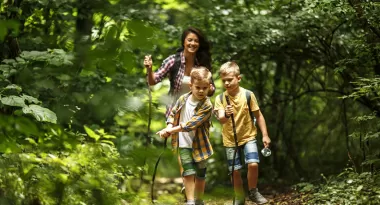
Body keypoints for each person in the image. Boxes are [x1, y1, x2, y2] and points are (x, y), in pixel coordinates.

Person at [144, 27, 214, 196]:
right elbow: (154, 81)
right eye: (190, 40)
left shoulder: (202, 62)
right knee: (183, 145)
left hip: (198, 110)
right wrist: (149, 69)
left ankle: (196, 179)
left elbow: (211, 89)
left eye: (196, 40)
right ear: (183, 41)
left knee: (198, 143)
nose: (193, 43)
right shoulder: (172, 61)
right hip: (177, 109)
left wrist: (207, 89)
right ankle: (187, 182)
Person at [214, 61, 271, 205]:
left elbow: (258, 116)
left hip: (248, 136)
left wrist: (265, 134)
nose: (227, 83)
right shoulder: (220, 98)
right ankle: (239, 197)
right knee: (235, 171)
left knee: (253, 164)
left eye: (230, 79)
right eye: (224, 80)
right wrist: (226, 114)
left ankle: (253, 191)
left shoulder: (248, 95)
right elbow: (221, 119)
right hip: (230, 139)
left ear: (238, 78)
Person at [156, 67, 214, 205]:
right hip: (183, 144)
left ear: (209, 87)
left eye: (204, 88)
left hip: (200, 145)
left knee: (200, 175)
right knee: (188, 172)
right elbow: (172, 113)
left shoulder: (207, 105)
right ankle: (190, 201)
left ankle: (199, 199)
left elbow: (190, 124)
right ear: (191, 86)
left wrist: (170, 131)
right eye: (198, 87)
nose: (201, 91)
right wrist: (169, 126)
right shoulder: (183, 99)